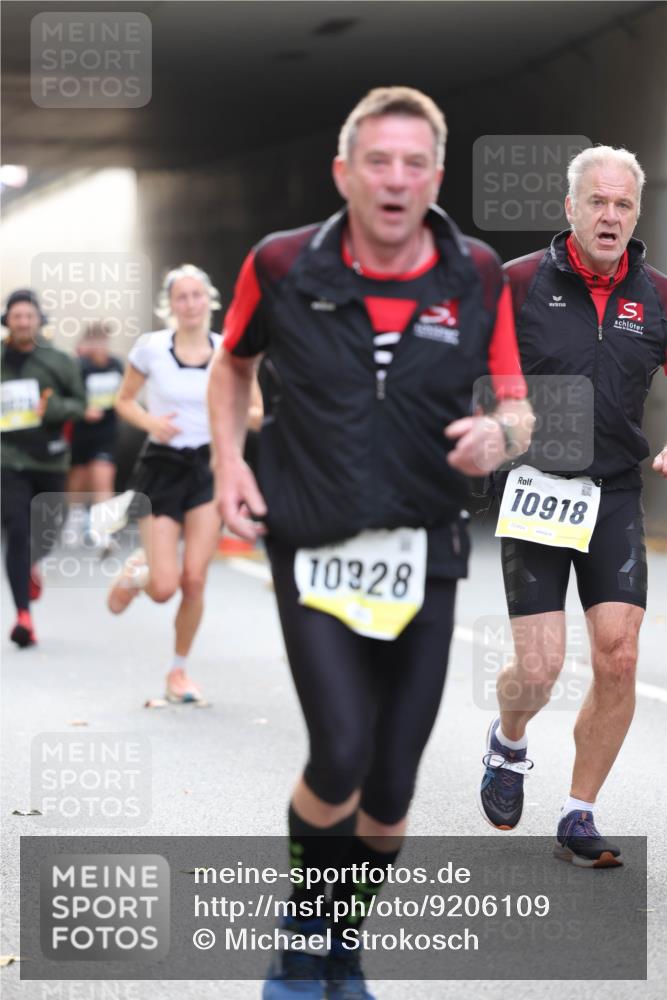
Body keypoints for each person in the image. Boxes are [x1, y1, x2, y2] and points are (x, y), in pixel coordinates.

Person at [208, 87, 533, 999]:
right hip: (310, 536)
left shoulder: (472, 272)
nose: (395, 180)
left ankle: (342, 946)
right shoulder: (279, 264)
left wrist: (499, 438)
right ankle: (299, 946)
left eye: (413, 163)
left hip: (422, 542)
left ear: (435, 175)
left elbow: (517, 408)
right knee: (340, 750)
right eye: (377, 162)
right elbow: (232, 364)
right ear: (343, 173)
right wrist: (231, 462)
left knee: (390, 790)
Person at [479, 146, 667, 868]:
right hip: (534, 488)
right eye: (597, 202)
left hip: (614, 490)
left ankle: (578, 812)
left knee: (618, 657)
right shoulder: (516, 282)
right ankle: (509, 740)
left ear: (635, 212)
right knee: (540, 666)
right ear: (569, 208)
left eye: (622, 204)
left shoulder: (652, 294)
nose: (609, 216)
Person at [107, 265, 223, 703]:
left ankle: (178, 674)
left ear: (208, 300)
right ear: (169, 304)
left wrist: (227, 417)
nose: (189, 304)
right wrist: (152, 421)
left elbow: (253, 410)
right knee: (164, 588)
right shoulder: (151, 348)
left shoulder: (228, 350)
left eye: (196, 296)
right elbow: (123, 401)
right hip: (161, 466)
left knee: (194, 580)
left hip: (206, 470)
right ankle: (141, 572)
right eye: (181, 297)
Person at [1, 288, 86, 647]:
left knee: (49, 530)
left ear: (38, 321)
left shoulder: (58, 361)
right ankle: (24, 617)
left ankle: (32, 563)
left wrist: (51, 410)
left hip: (49, 458)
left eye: (29, 316)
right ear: (7, 321)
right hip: (8, 460)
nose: (22, 322)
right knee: (18, 529)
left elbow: (80, 404)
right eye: (16, 316)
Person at [67, 322, 124, 551]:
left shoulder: (116, 365)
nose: (101, 346)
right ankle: (74, 518)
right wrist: (83, 409)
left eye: (104, 341)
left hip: (106, 432)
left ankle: (104, 531)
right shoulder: (80, 367)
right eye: (95, 341)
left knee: (103, 477)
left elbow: (123, 395)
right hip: (82, 432)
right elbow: (69, 396)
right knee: (80, 478)